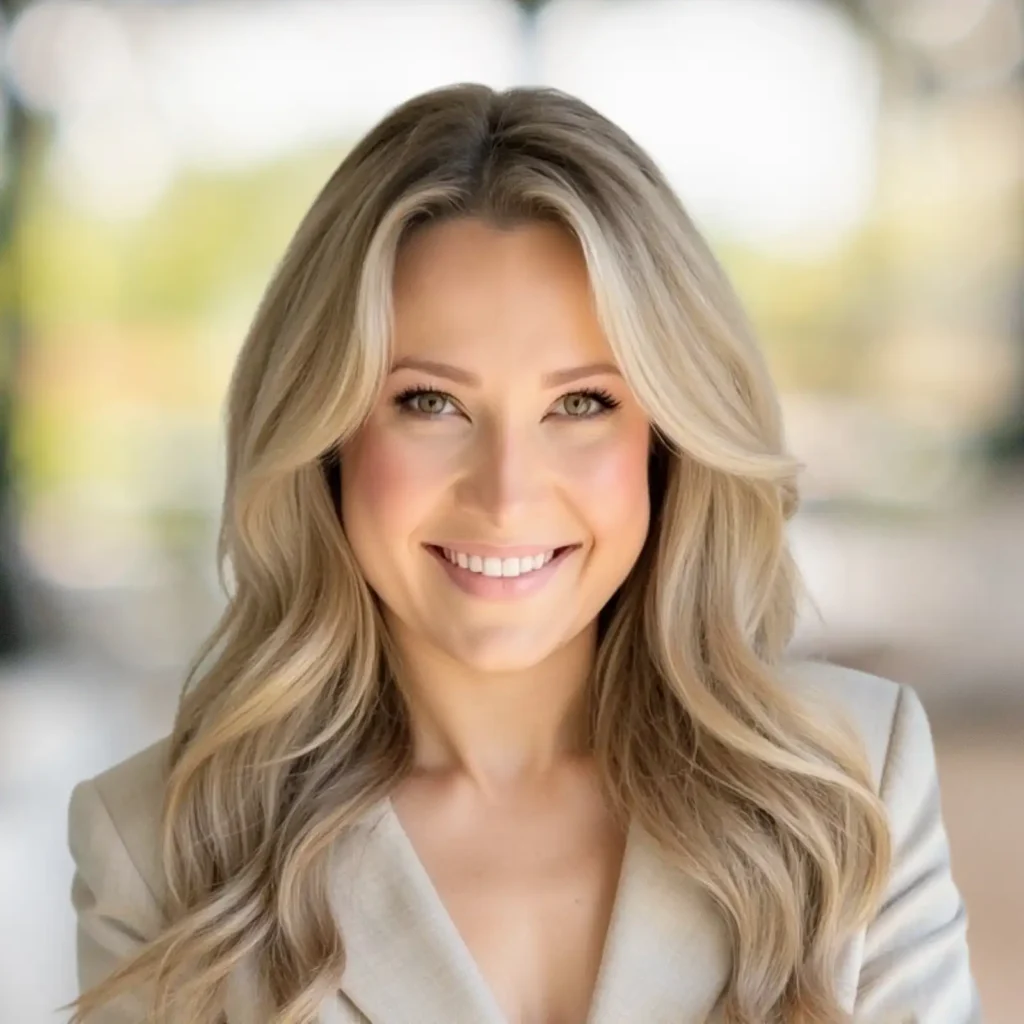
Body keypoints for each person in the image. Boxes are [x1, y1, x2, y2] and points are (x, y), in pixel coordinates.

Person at [65, 83, 981, 1024]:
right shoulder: (161, 851)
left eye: (581, 404)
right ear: (327, 433)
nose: (506, 495)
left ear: (666, 441)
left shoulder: (848, 785)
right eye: (430, 402)